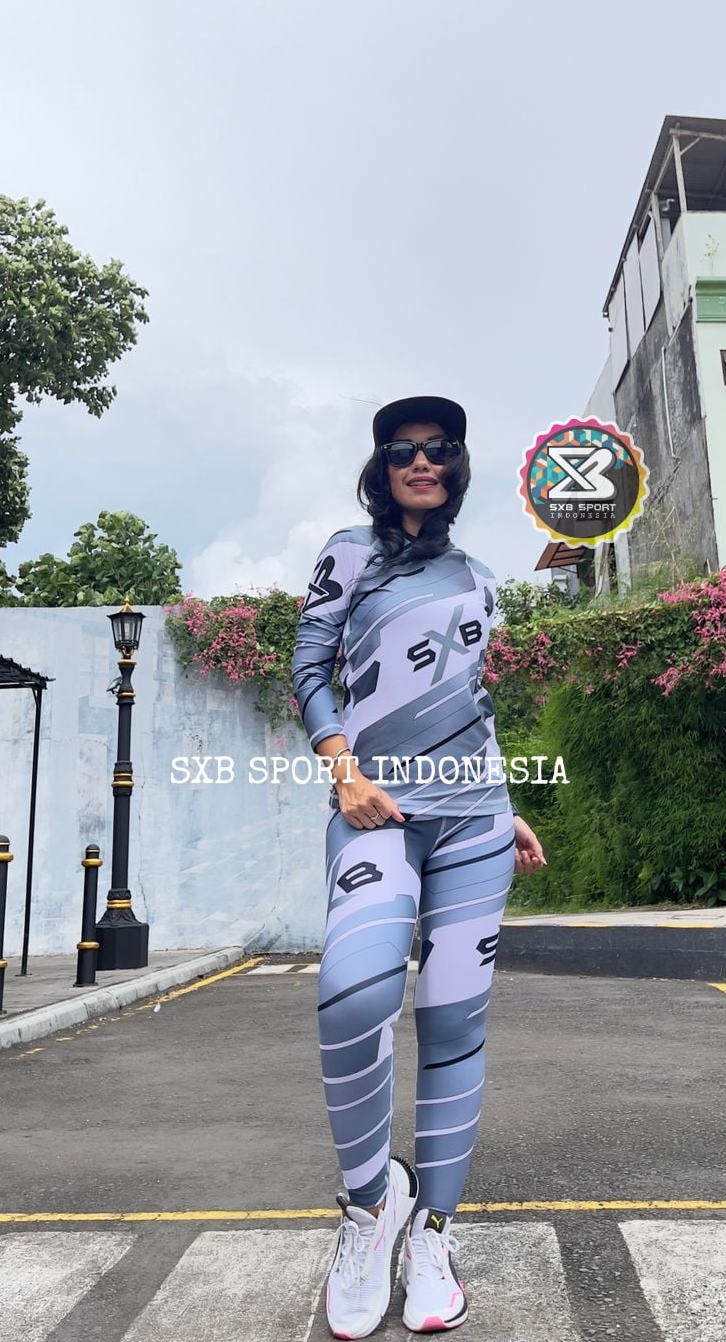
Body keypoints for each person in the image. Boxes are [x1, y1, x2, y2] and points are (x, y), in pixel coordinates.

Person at [291, 394, 547, 1338]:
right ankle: (370, 1211)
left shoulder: (479, 578)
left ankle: (433, 1232)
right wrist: (344, 769)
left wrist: (508, 810)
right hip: (376, 809)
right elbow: (309, 667)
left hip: (475, 819)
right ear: (381, 467)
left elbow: (471, 703)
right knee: (354, 997)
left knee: (453, 1024)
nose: (422, 461)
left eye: (438, 448)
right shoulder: (348, 553)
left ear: (457, 464)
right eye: (403, 451)